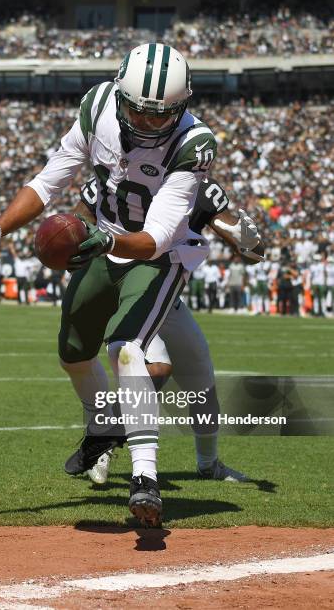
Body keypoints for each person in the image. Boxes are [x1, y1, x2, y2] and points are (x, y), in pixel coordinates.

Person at [0, 43, 262, 527]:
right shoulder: (97, 106)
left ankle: (145, 477)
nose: (150, 123)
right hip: (106, 245)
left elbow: (157, 237)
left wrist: (107, 238)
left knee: (129, 349)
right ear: (119, 94)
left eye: (162, 115)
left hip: (158, 256)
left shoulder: (193, 143)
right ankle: (103, 426)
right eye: (138, 110)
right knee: (72, 354)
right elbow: (51, 177)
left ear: (182, 108)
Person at [75, 175, 264, 487]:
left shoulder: (198, 186)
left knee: (202, 378)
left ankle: (209, 463)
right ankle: (103, 439)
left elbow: (252, 251)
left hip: (167, 295)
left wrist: (248, 238)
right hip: (124, 291)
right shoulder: (117, 173)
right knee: (157, 369)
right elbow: (80, 215)